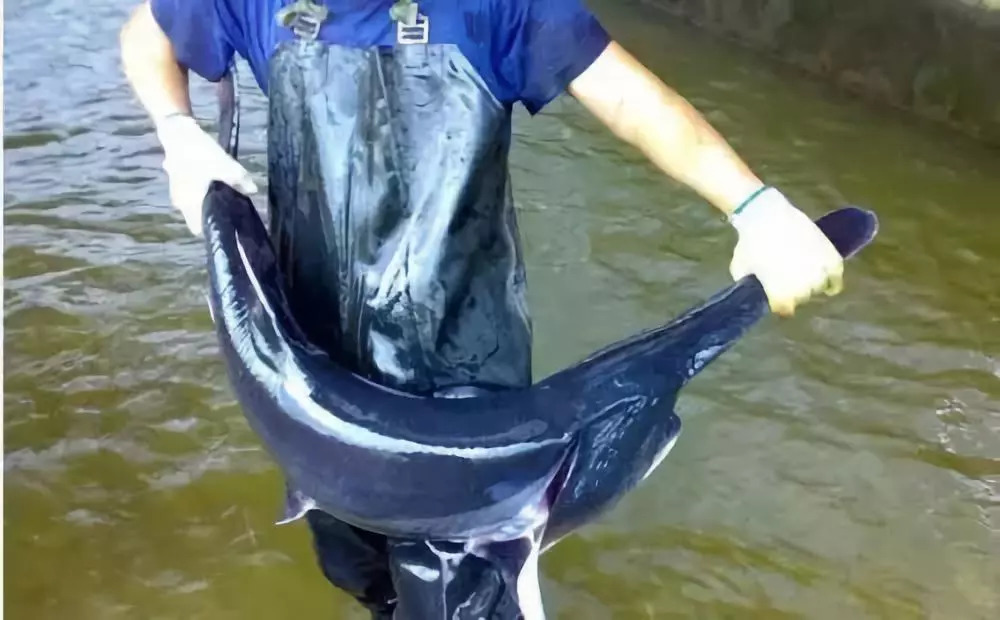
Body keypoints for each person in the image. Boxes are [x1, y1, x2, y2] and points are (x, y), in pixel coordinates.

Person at [120, 0, 846, 617]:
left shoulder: (495, 6)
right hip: (314, 368)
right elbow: (147, 37)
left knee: (464, 589)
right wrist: (177, 133)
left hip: (462, 367)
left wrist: (753, 205)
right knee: (362, 574)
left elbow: (630, 99)